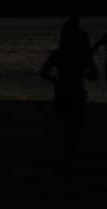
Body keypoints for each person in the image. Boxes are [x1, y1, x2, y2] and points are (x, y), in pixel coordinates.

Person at [41, 23, 98, 164]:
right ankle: (70, 155)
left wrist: (55, 81)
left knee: (65, 125)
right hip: (77, 91)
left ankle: (67, 156)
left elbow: (43, 72)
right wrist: (83, 74)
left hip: (61, 91)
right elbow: (94, 76)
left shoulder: (57, 53)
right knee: (76, 127)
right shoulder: (83, 55)